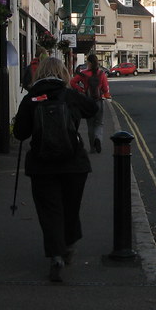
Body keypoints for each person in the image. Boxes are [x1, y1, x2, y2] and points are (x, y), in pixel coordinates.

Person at [12, 56, 98, 282]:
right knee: (70, 207)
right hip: (74, 163)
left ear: (39, 73)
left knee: (50, 211)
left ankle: (56, 255)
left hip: (42, 165)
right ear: (63, 73)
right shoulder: (69, 95)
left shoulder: (31, 98)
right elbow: (91, 109)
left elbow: (20, 133)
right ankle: (68, 245)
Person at [70, 54, 110, 154]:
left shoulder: (83, 73)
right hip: (99, 101)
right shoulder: (101, 74)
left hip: (88, 102)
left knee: (90, 125)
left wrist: (82, 90)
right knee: (99, 123)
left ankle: (92, 148)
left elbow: (72, 82)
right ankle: (98, 139)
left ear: (89, 63)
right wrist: (106, 95)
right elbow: (105, 88)